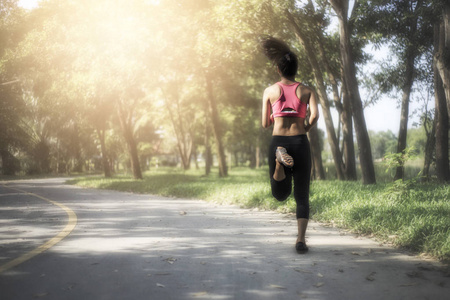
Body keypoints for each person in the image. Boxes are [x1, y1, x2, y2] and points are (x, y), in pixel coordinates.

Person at [261, 37, 319, 254]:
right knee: (302, 195)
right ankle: (301, 240)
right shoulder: (306, 90)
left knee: (279, 194)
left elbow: (265, 123)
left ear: (278, 68)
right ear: (296, 69)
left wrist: (277, 115)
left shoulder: (270, 91)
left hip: (279, 141)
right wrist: (305, 128)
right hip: (300, 141)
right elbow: (315, 115)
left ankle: (279, 163)